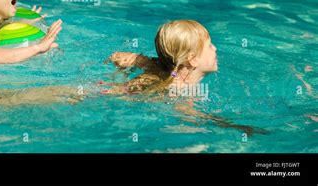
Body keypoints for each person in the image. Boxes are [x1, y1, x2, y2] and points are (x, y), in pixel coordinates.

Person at [106, 20, 268, 135]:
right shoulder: (181, 90)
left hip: (114, 89)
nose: (215, 48)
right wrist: (234, 126)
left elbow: (121, 56)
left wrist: (121, 66)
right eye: (210, 45)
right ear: (193, 59)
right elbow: (189, 115)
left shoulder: (158, 66)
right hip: (118, 95)